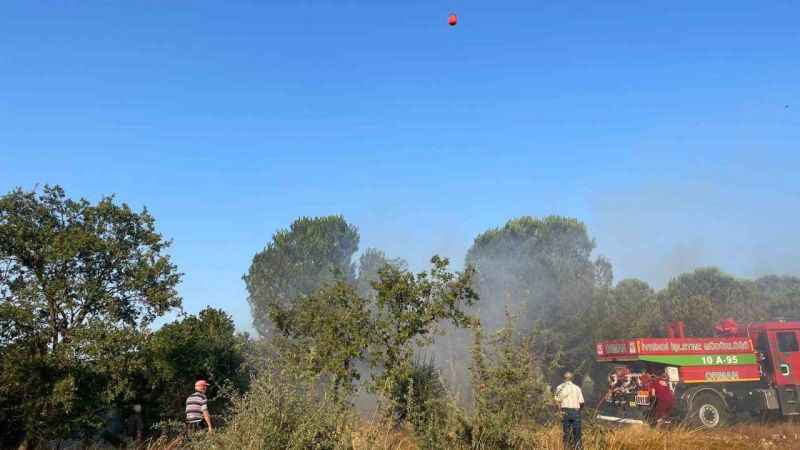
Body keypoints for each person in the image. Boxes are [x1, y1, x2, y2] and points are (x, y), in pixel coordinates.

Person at [554, 371, 584, 450]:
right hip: (576, 411)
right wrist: (579, 410)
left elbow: (557, 401)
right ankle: (578, 448)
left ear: (564, 378)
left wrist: (560, 411)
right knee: (577, 433)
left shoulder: (559, 387)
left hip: (565, 411)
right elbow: (581, 402)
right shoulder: (577, 388)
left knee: (566, 433)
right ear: (572, 379)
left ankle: (567, 447)